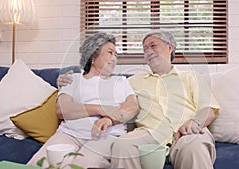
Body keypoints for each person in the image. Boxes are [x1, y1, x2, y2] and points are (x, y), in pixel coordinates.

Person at [57, 30, 220, 169]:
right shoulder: (132, 81)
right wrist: (66, 81)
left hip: (186, 132)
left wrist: (195, 123)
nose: (148, 51)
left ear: (169, 47)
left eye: (153, 45)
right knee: (123, 145)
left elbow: (209, 109)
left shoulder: (191, 77)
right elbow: (114, 98)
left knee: (195, 146)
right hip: (148, 134)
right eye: (145, 48)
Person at [27, 32, 139, 168]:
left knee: (82, 165)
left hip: (106, 136)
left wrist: (109, 119)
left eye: (116, 54)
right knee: (39, 164)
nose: (114, 58)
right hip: (69, 134)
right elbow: (62, 110)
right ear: (93, 56)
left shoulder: (120, 81)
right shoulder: (73, 79)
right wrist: (101, 109)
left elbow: (132, 107)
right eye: (110, 52)